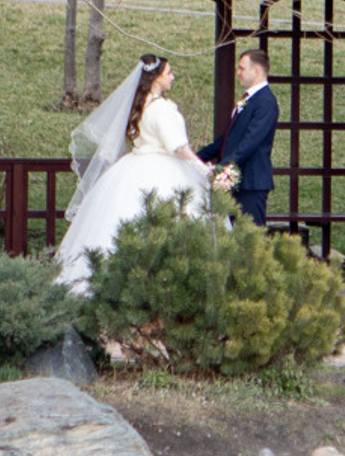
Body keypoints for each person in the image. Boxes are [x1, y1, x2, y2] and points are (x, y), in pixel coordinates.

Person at [55, 53, 210, 293]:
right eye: (169, 73)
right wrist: (201, 167)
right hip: (163, 166)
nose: (172, 77)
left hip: (135, 164)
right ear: (156, 78)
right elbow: (177, 146)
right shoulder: (161, 108)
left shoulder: (139, 104)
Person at [199, 47, 278, 227]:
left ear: (256, 71)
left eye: (242, 68)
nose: (237, 73)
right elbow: (227, 139)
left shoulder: (266, 102)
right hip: (237, 181)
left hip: (251, 181)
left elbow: (250, 142)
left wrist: (222, 167)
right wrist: (198, 157)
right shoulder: (249, 99)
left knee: (251, 237)